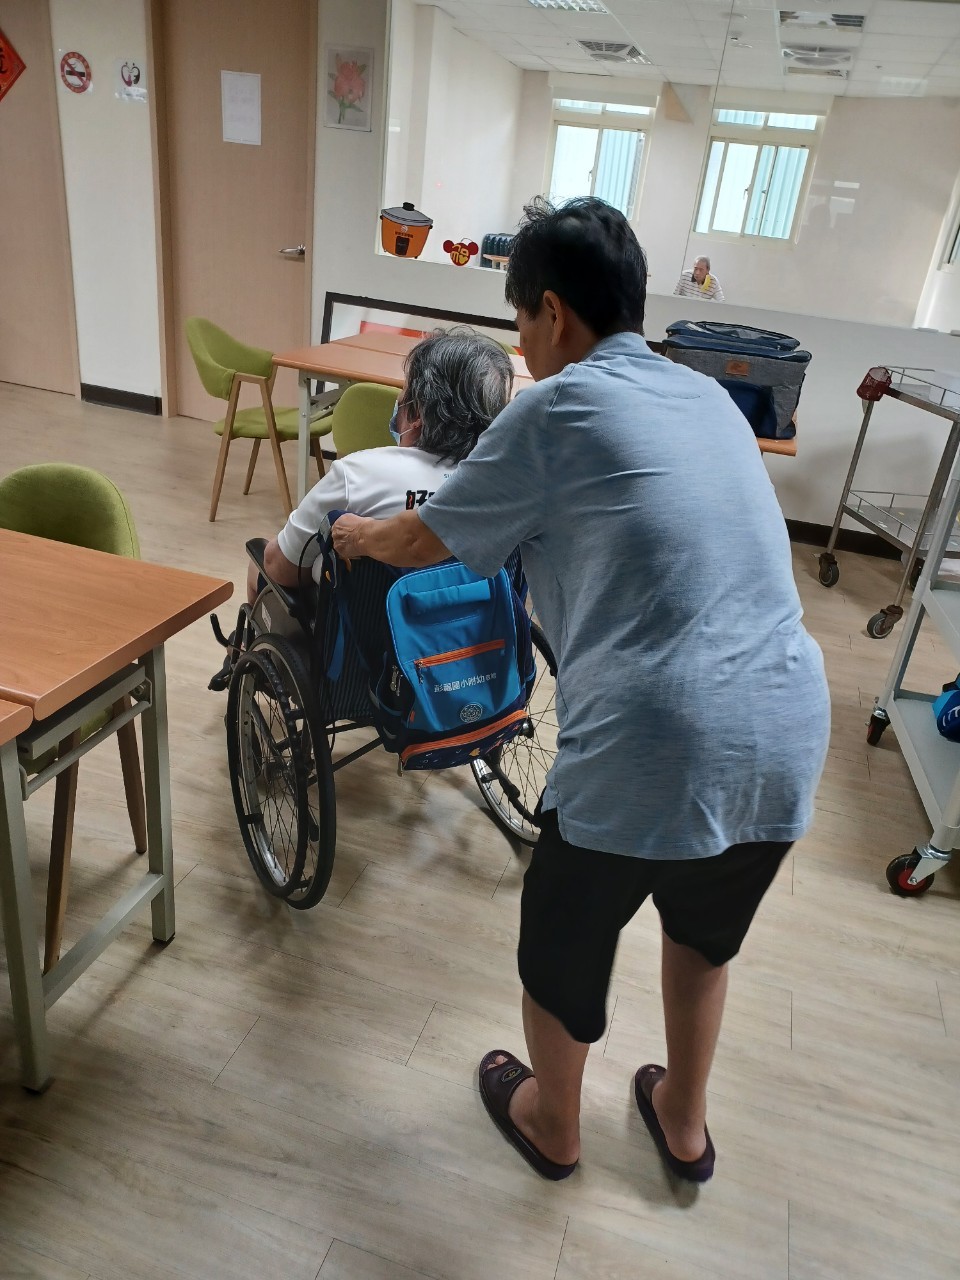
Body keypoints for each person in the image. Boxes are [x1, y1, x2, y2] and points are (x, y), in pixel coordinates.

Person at [332, 197, 830, 1186]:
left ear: (553, 312)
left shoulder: (554, 408)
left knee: (563, 942)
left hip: (657, 735)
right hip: (784, 728)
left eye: (520, 321)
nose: (522, 344)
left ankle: (553, 1121)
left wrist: (356, 534)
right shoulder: (706, 397)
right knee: (702, 932)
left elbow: (424, 537)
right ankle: (682, 1120)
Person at [246, 328, 513, 602]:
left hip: (370, 625)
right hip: (472, 623)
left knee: (261, 563)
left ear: (418, 412)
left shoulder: (356, 475)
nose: (399, 397)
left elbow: (280, 566)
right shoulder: (506, 490)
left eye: (404, 387)